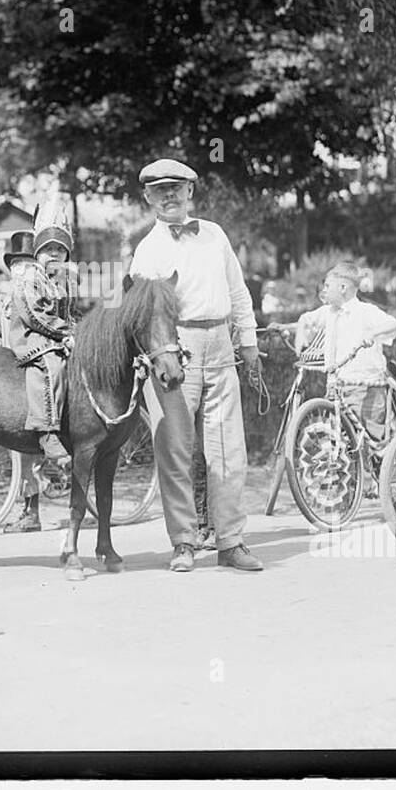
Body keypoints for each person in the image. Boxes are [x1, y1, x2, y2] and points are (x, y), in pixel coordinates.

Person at [129, 157, 264, 573]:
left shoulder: (215, 235)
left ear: (191, 191)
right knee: (175, 448)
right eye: (159, 189)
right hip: (175, 347)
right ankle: (184, 542)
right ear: (148, 197)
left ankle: (230, 541)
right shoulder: (147, 250)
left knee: (228, 450)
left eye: (177, 187)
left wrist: (250, 344)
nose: (169, 195)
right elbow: (140, 314)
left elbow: (238, 292)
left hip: (220, 343)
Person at [287, 260, 396, 443]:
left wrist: (372, 332)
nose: (324, 290)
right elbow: (306, 319)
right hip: (337, 387)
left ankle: (383, 465)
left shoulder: (365, 311)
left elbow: (393, 324)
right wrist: (301, 336)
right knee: (340, 438)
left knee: (372, 438)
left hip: (366, 387)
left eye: (327, 285)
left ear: (342, 287)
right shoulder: (329, 312)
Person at [0, 231, 50, 533]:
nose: (21, 270)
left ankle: (31, 511)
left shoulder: (43, 299)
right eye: (16, 265)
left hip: (35, 372)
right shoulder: (1, 303)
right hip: (7, 375)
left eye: (27, 264)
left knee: (30, 441)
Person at [8, 217, 75, 474]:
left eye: (60, 250)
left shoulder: (64, 280)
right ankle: (46, 430)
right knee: (51, 365)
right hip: (32, 335)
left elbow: (71, 313)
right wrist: (64, 333)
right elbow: (34, 314)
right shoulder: (30, 277)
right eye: (48, 250)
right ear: (38, 254)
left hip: (57, 334)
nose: (54, 254)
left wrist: (78, 332)